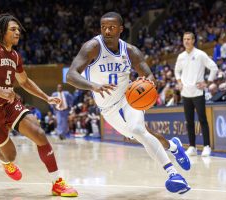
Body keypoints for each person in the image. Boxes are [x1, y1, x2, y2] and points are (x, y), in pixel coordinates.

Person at [67, 11, 191, 194]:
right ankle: (173, 146)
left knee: (137, 130)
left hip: (128, 98)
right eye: (103, 27)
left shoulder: (130, 51)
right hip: (107, 107)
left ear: (121, 29)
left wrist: (144, 86)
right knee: (141, 134)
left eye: (112, 27)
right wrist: (93, 86)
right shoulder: (92, 47)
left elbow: (149, 75)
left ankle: (173, 175)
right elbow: (71, 75)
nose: (107, 31)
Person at [0, 13, 77, 197]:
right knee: (11, 155)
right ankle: (4, 160)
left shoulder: (15, 56)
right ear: (2, 31)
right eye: (13, 29)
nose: (18, 32)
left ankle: (57, 182)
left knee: (39, 134)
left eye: (18, 30)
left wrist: (46, 97)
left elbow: (24, 82)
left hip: (9, 105)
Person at [175, 32, 218, 157]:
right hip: (185, 93)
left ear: (193, 40)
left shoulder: (200, 54)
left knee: (202, 120)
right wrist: (179, 81)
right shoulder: (181, 56)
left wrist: (208, 82)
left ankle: (206, 147)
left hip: (198, 92)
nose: (186, 41)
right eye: (184, 39)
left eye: (189, 39)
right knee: (189, 122)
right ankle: (192, 147)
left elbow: (214, 67)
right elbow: (177, 70)